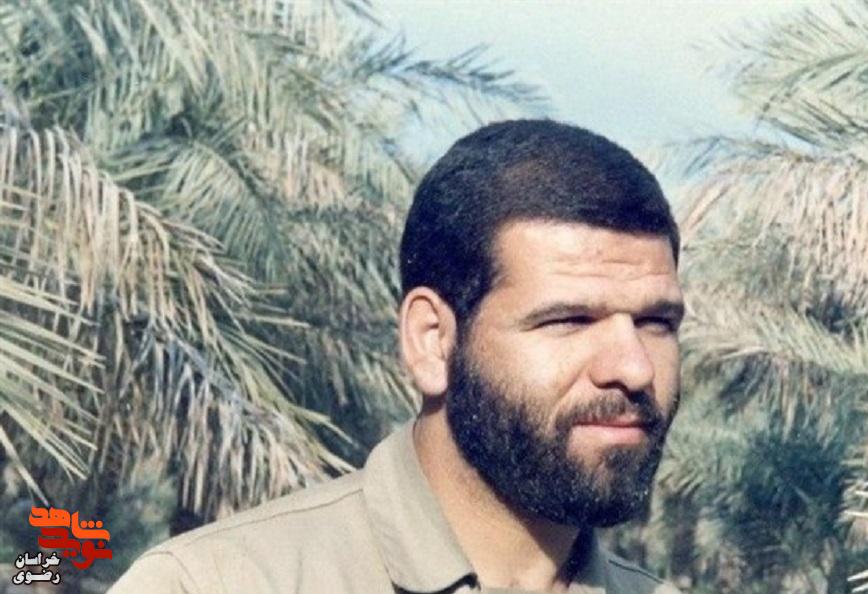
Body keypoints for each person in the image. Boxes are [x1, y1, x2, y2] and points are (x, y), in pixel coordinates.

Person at [109, 119, 685, 594]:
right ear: (432, 340)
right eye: (569, 321)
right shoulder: (213, 583)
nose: (634, 368)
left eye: (656, 323)